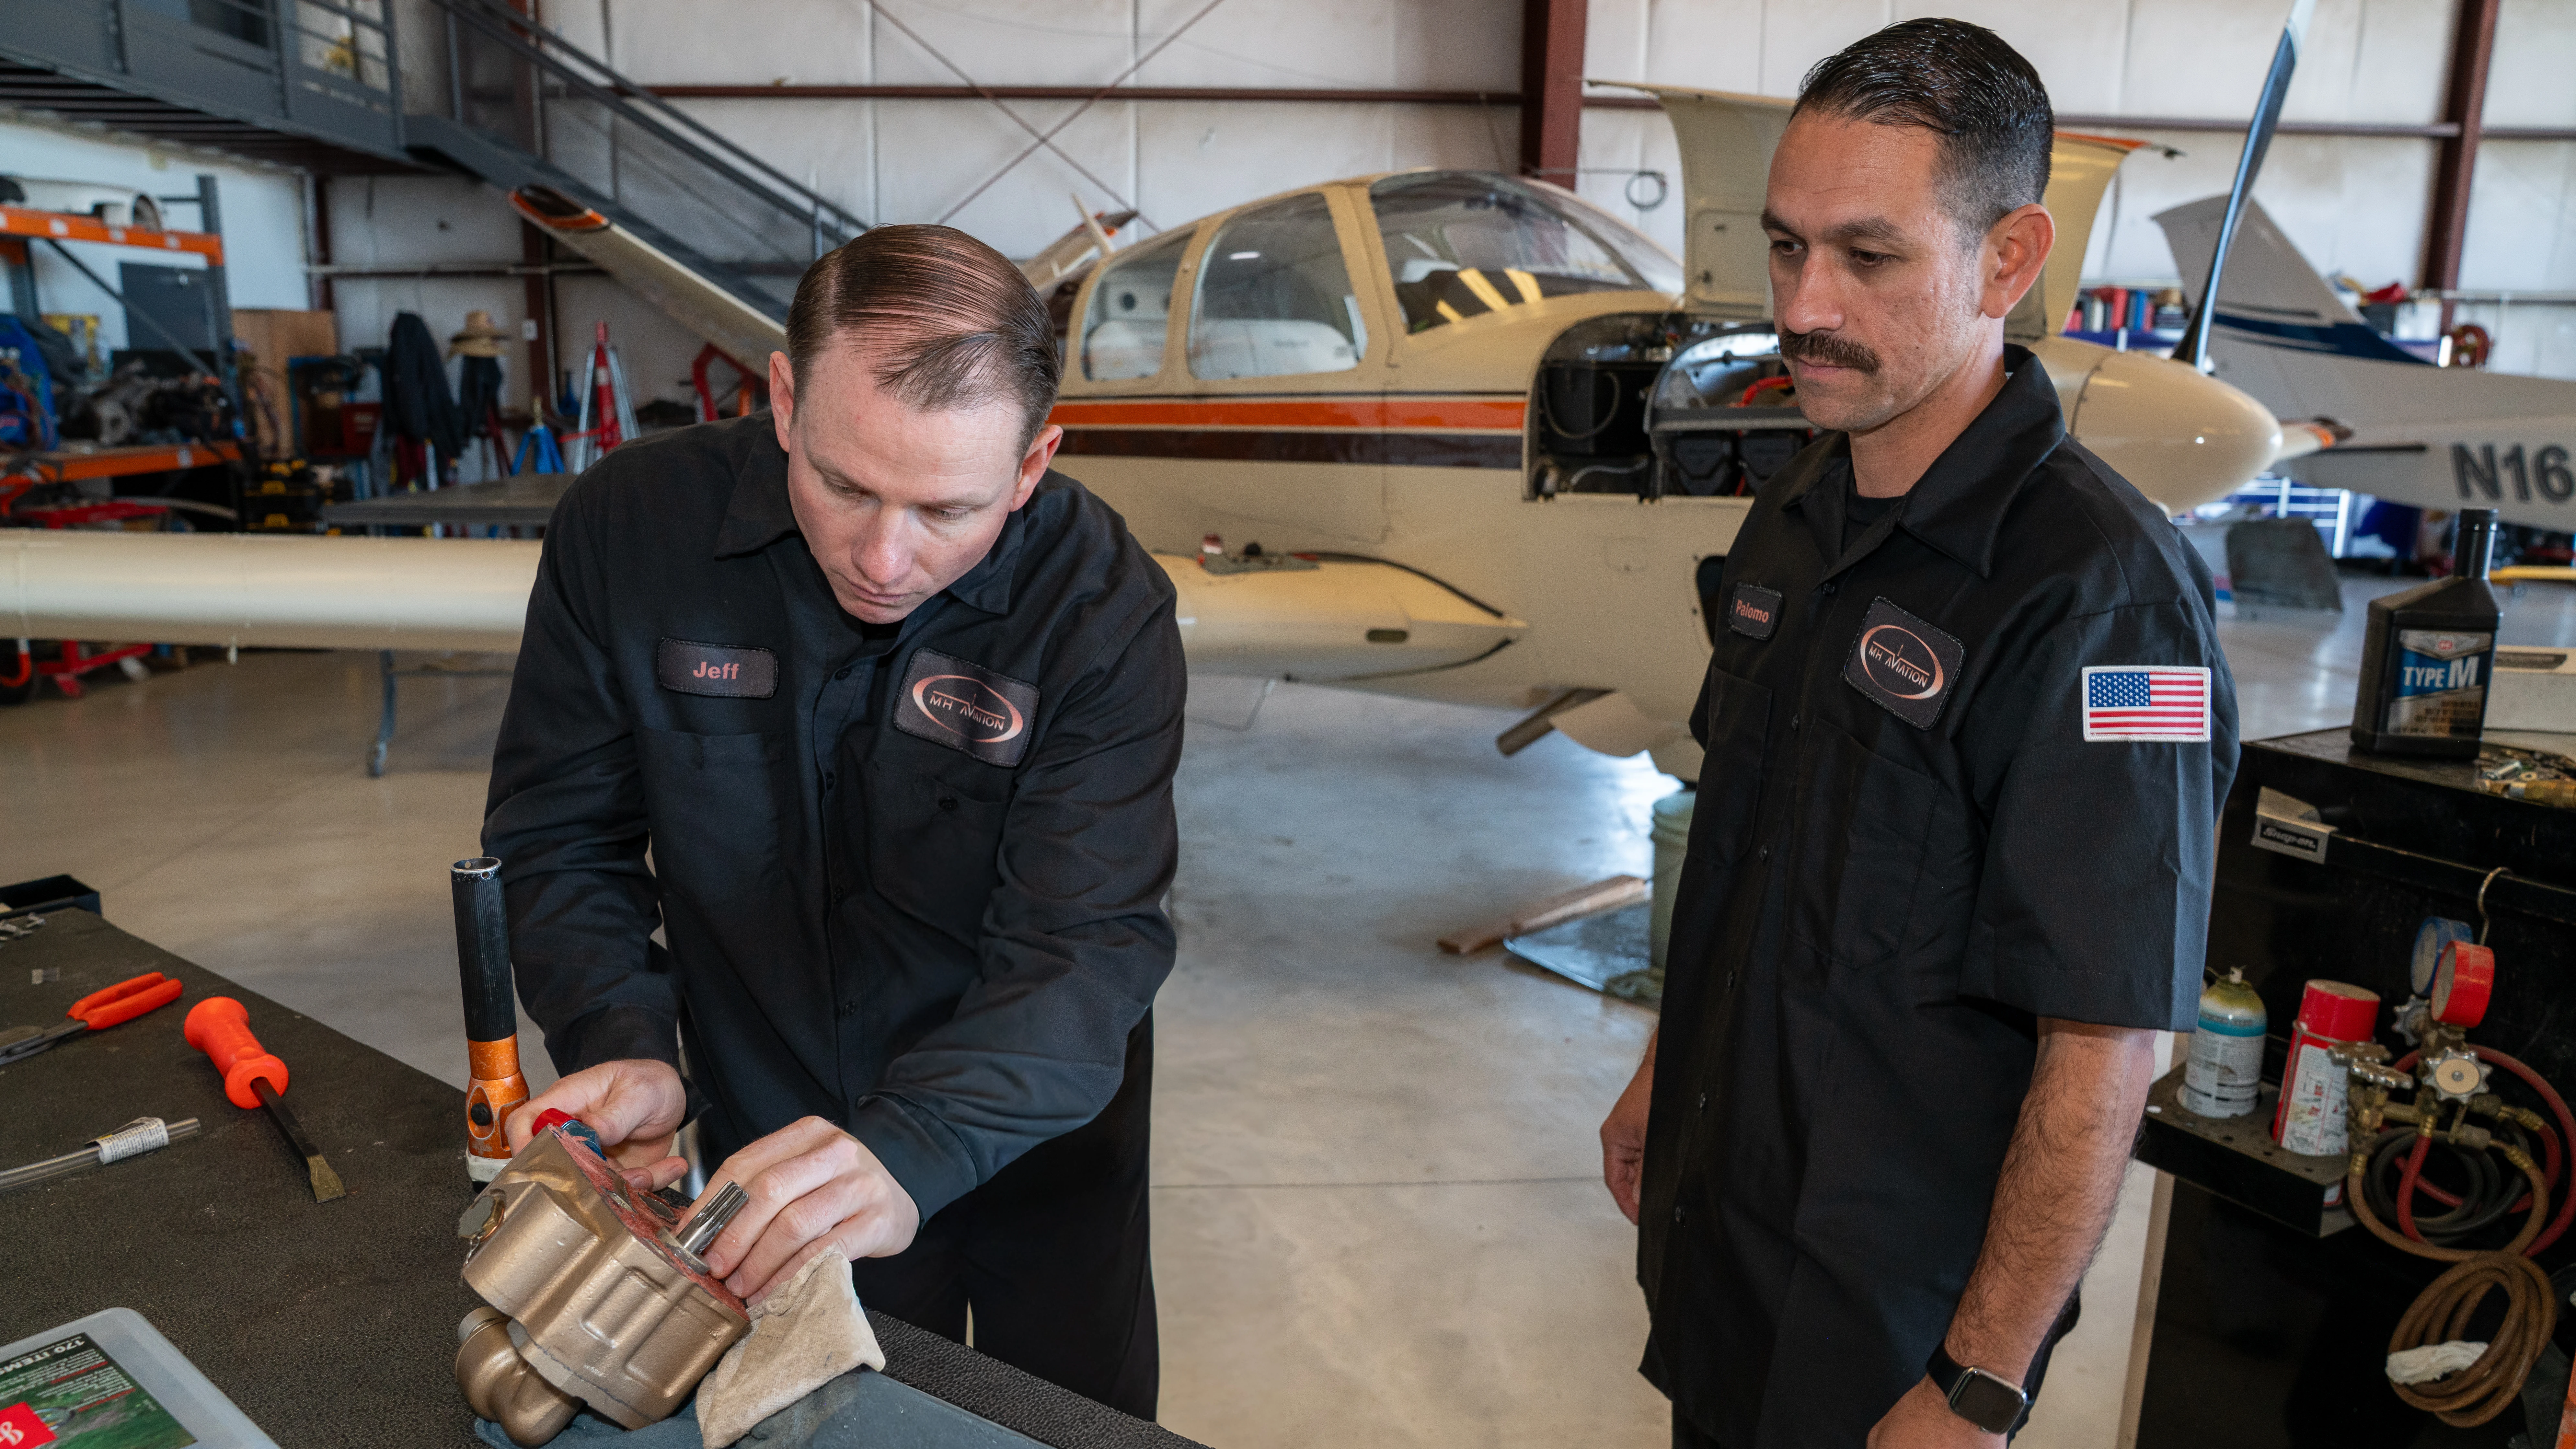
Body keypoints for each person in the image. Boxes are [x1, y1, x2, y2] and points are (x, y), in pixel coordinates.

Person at [1597, 20, 2240, 1449]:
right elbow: (1739, 837)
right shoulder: (1795, 514)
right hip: (1726, 1253)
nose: (1802, 305)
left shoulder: (2100, 600)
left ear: (2006, 260)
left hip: (1889, 1335)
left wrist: (1977, 1383)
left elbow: (2104, 1040)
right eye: (1782, 247)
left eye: (1866, 256)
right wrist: (1661, 1066)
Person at [483, 224, 1183, 1418]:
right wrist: (624, 1037)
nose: (884, 558)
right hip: (770, 1134)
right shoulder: (629, 531)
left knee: (1067, 1427)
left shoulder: (1101, 606)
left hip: (1036, 1135)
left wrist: (916, 1147)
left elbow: (1086, 944)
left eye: (948, 510)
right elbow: (561, 838)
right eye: (846, 483)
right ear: (786, 397)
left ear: (1033, 464)